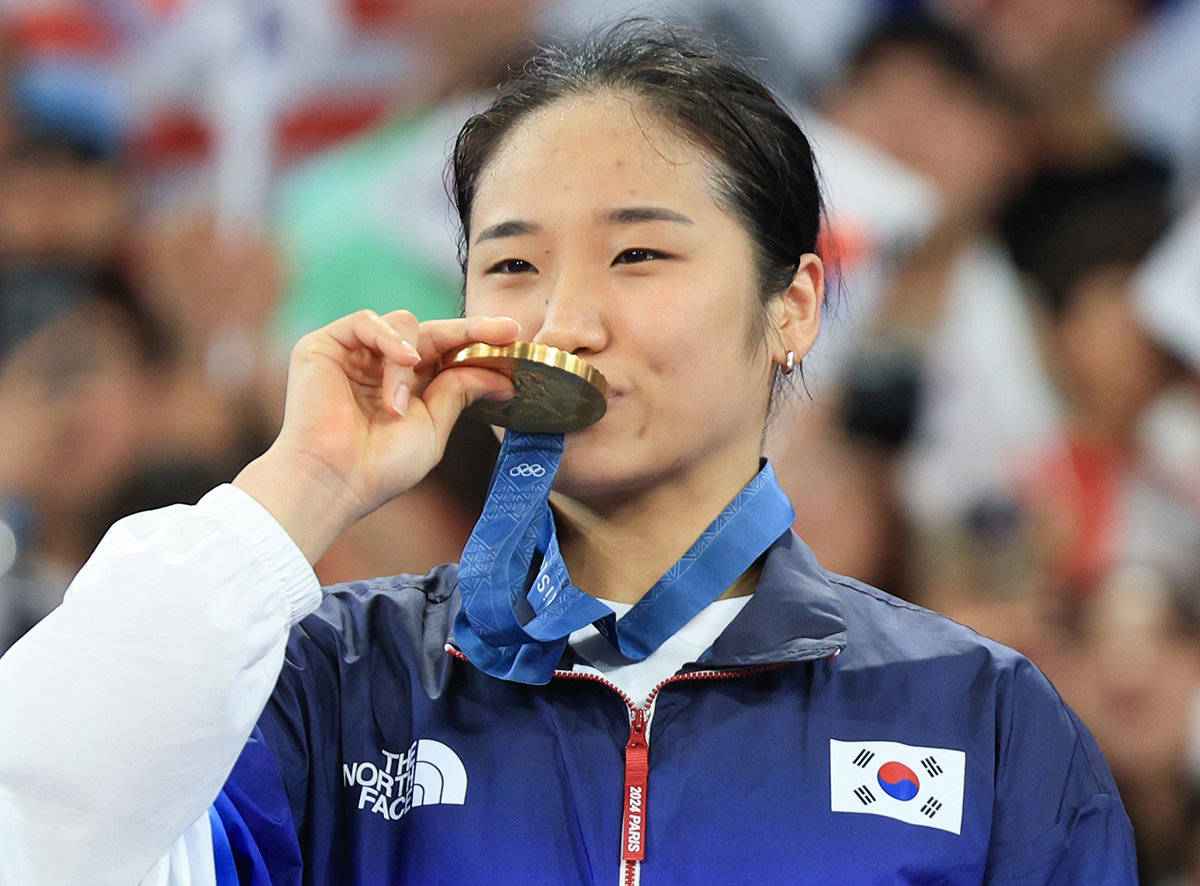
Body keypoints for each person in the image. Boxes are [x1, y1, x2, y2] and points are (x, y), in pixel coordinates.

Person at [0, 20, 1137, 886]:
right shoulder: (335, 685)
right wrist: (301, 485)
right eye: (510, 266)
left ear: (793, 306)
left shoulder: (976, 716)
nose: (564, 319)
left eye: (639, 253)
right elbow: (36, 830)